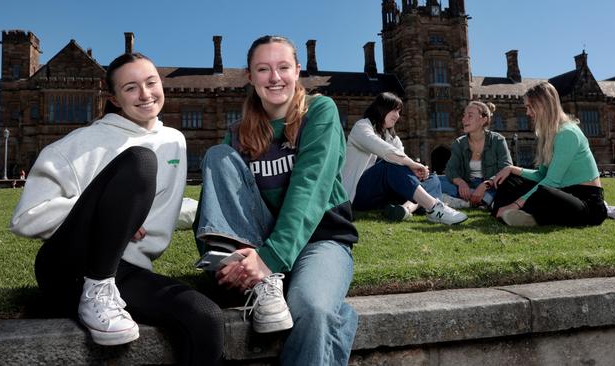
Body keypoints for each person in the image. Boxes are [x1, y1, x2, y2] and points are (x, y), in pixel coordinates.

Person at [10, 53, 224, 365]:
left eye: (151, 82)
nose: (146, 94)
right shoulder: (80, 143)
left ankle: (104, 290)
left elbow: (169, 208)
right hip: (68, 269)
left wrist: (225, 218)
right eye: (131, 88)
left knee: (206, 317)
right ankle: (96, 289)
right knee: (140, 161)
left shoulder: (173, 140)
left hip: (126, 273)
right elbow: (26, 218)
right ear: (114, 98)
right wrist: (106, 215)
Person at [193, 35, 359, 366]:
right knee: (217, 157)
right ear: (250, 76)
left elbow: (310, 187)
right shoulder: (238, 133)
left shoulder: (320, 112)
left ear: (297, 71)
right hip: (259, 245)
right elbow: (219, 205)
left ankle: (322, 306)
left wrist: (270, 258)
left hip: (320, 240)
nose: (275, 78)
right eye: (263, 69)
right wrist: (229, 263)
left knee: (313, 309)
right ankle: (263, 281)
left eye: (283, 67)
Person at [492, 81, 607, 227]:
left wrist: (515, 204)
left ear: (543, 105)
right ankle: (526, 216)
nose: (527, 113)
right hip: (562, 192)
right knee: (510, 179)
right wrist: (512, 169)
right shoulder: (549, 135)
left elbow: (552, 181)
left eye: (530, 107)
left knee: (544, 192)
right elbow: (541, 175)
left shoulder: (567, 134)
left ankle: (525, 215)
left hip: (587, 204)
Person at [342, 92, 468, 225]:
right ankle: (433, 207)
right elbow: (387, 152)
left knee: (432, 177)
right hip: (359, 194)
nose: (397, 116)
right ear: (381, 108)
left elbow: (403, 160)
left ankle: (406, 209)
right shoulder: (362, 126)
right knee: (391, 163)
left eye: (399, 112)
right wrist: (412, 164)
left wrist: (417, 171)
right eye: (394, 110)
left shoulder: (392, 137)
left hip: (383, 198)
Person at [439, 101, 512, 208]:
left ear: (483, 120)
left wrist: (486, 184)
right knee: (433, 180)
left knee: (507, 185)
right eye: (464, 115)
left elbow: (506, 169)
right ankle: (483, 201)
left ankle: (463, 201)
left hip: (491, 185)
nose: (464, 119)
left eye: (470, 115)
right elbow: (451, 170)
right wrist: (461, 183)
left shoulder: (498, 140)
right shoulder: (459, 143)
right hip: (467, 185)